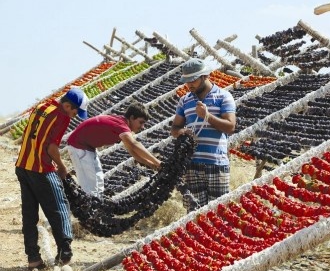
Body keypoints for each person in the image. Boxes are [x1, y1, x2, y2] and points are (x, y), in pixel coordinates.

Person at [15, 87, 89, 270]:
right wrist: (62, 168)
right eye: (75, 112)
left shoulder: (42, 106)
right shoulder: (61, 116)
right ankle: (65, 251)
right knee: (59, 207)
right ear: (66, 105)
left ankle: (33, 258)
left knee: (29, 214)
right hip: (41, 168)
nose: (74, 116)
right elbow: (51, 148)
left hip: (23, 166)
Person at [171, 58, 236, 212]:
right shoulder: (184, 101)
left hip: (216, 163)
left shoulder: (223, 96)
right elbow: (174, 128)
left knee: (218, 214)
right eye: (186, 81)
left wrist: (207, 116)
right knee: (194, 215)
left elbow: (230, 127)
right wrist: (180, 132)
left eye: (193, 80)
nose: (189, 84)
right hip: (192, 165)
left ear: (205, 76)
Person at [66, 102, 161, 199]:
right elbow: (134, 145)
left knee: (99, 183)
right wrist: (158, 162)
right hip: (78, 147)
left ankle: (97, 208)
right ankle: (89, 210)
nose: (142, 127)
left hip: (88, 148)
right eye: (141, 122)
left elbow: (133, 152)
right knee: (90, 187)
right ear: (132, 118)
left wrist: (151, 164)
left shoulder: (121, 123)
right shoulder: (121, 125)